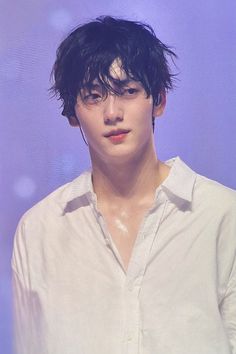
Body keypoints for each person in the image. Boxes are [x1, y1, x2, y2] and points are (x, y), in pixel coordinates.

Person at [12, 16, 236, 354]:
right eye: (94, 96)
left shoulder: (221, 215)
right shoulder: (40, 230)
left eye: (128, 91)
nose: (112, 112)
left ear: (158, 100)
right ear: (73, 114)